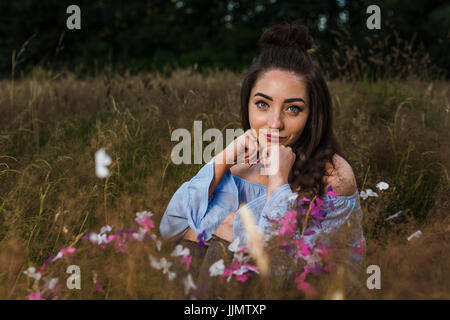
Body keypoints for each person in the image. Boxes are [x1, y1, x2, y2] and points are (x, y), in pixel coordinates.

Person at [159, 21, 366, 297]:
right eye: (262, 104)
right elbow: (168, 229)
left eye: (293, 109)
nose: (274, 122)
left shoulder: (335, 176)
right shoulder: (240, 161)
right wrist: (223, 158)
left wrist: (278, 182)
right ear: (247, 102)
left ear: (313, 114)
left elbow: (281, 270)